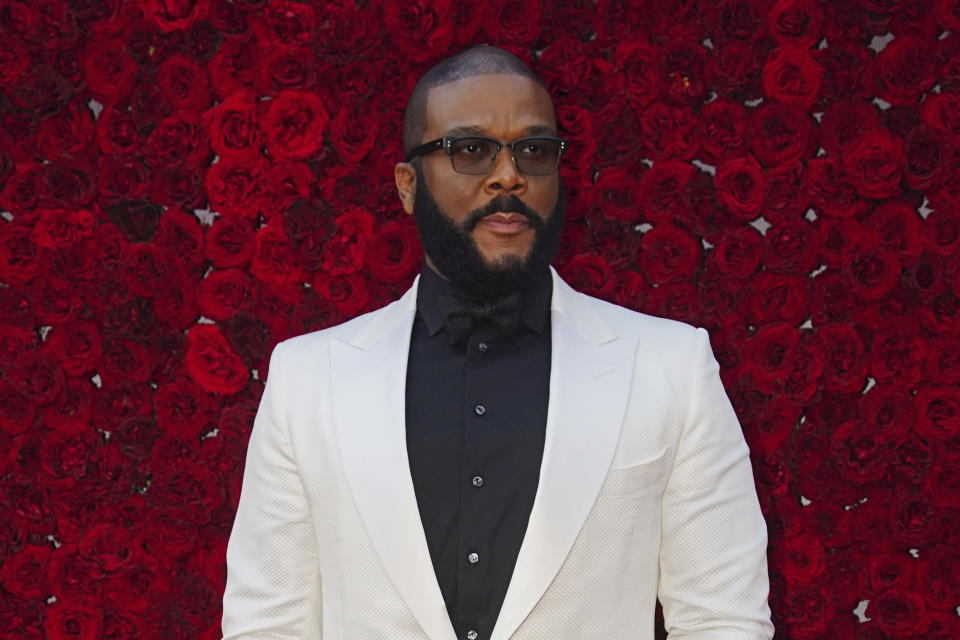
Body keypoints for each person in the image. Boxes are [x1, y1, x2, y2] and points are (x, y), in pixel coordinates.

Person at [222, 45, 773, 640]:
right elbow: (267, 623)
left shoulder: (672, 368)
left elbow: (724, 620)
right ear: (408, 185)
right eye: (470, 149)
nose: (509, 174)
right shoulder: (307, 379)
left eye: (534, 151)